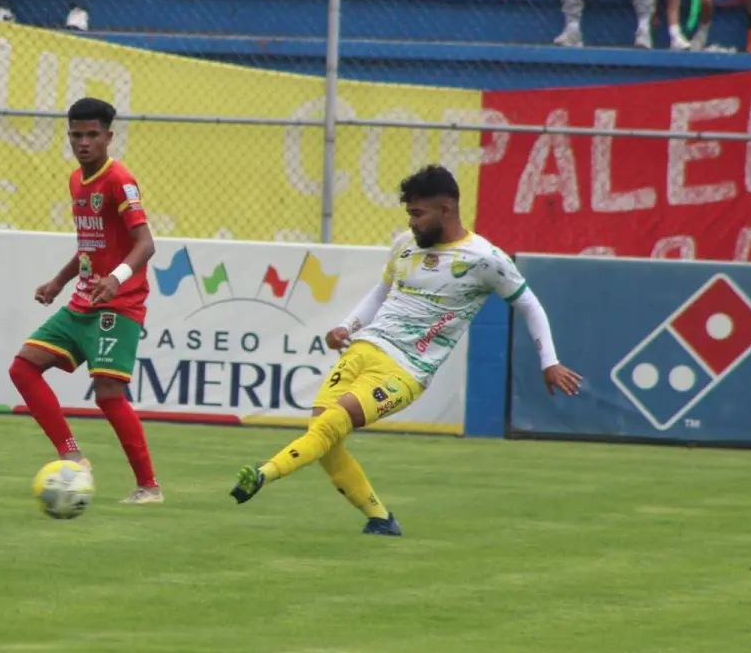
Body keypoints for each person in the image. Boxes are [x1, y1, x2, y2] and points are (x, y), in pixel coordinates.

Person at [229, 165, 582, 535]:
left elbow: (529, 305)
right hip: (363, 349)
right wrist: (347, 326)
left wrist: (550, 361)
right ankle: (381, 520)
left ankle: (262, 474)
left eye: (418, 213)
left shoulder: (485, 260)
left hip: (406, 369)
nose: (411, 222)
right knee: (324, 436)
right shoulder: (405, 244)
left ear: (446, 209)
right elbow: (381, 292)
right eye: (409, 213)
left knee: (332, 423)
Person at [9, 97, 162, 505]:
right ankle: (71, 454)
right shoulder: (77, 181)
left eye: (93, 134)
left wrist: (115, 279)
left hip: (119, 304)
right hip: (83, 299)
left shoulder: (120, 181)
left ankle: (149, 486)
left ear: (109, 137)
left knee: (108, 392)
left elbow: (145, 244)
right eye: (76, 135)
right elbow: (89, 245)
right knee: (23, 367)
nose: (84, 142)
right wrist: (59, 281)